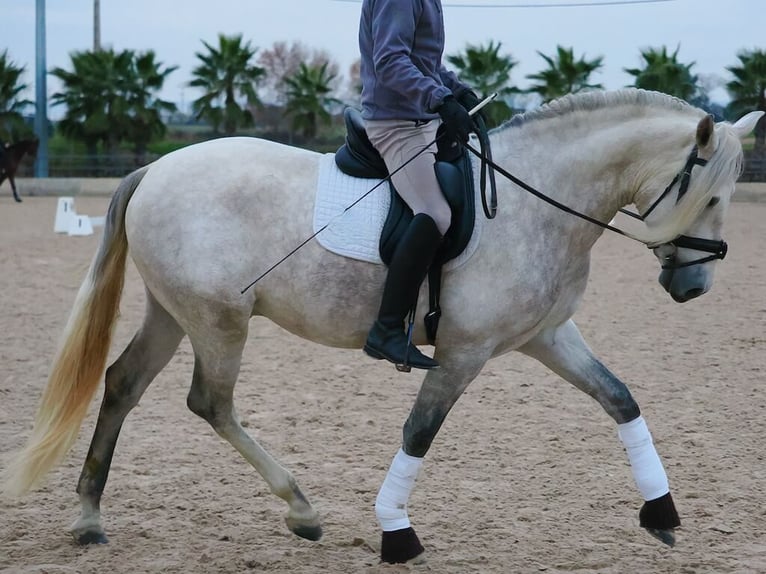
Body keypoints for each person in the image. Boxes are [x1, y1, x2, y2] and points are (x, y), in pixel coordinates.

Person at [359, 0, 482, 370]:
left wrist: (457, 91)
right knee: (435, 212)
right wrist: (439, 99)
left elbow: (424, 62)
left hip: (421, 118)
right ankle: (386, 330)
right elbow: (391, 61)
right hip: (396, 123)